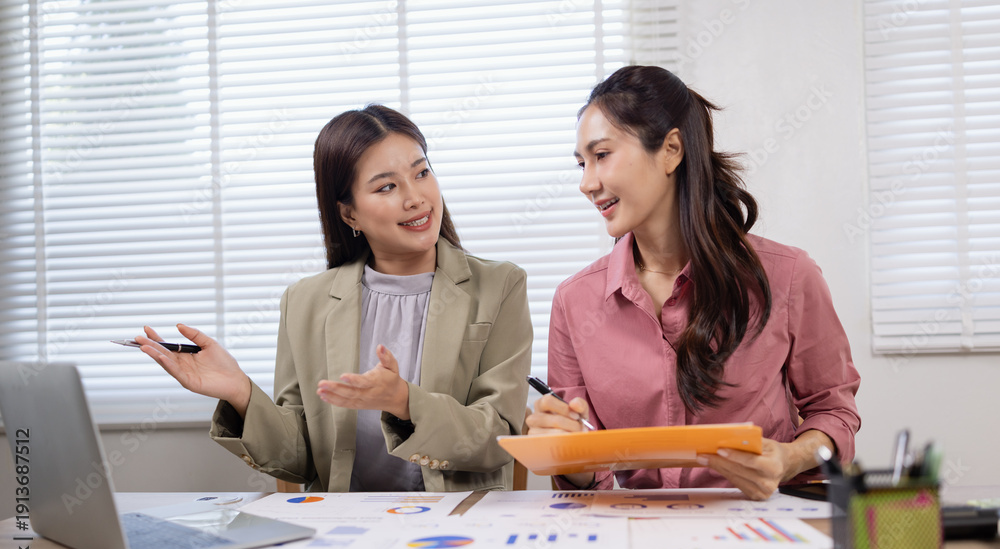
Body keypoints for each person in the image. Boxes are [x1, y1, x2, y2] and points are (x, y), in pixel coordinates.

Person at [137, 104, 532, 492]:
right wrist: (240, 392)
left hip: (458, 529)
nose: (416, 197)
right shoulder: (305, 302)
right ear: (349, 215)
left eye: (422, 172)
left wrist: (406, 402)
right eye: (387, 186)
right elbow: (299, 459)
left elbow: (498, 437)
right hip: (343, 529)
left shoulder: (498, 286)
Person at [526, 66, 860, 500]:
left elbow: (833, 410)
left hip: (759, 525)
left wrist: (789, 458)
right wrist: (566, 452)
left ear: (671, 150)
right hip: (637, 531)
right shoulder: (575, 301)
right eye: (580, 163)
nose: (587, 183)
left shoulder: (789, 276)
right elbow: (588, 474)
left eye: (602, 155)